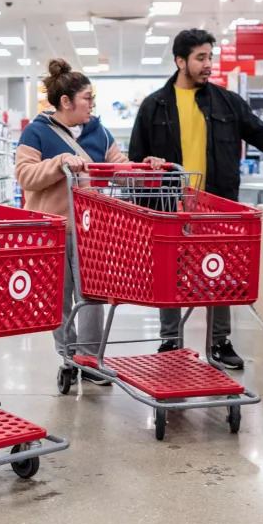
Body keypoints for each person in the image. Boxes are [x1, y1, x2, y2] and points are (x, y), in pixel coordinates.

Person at [129, 28, 263, 369]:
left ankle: (220, 342)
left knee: (217, 271)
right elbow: (137, 158)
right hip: (170, 206)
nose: (209, 64)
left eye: (211, 57)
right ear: (181, 61)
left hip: (215, 204)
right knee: (169, 272)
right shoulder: (154, 106)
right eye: (201, 58)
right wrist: (145, 177)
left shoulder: (227, 103)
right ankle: (170, 340)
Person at [15, 58, 164, 384]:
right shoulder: (37, 131)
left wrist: (145, 169)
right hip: (51, 231)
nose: (92, 105)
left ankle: (91, 359)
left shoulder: (99, 131)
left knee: (92, 295)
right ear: (66, 102)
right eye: (87, 98)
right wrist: (58, 163)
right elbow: (24, 175)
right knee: (57, 298)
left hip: (89, 229)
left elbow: (121, 171)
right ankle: (69, 357)